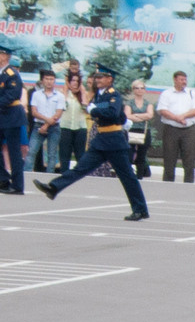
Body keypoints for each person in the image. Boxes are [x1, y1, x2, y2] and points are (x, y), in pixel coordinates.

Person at [38, 68, 150, 220]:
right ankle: (54, 188)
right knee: (80, 168)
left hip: (114, 141)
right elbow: (117, 115)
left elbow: (112, 112)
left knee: (127, 176)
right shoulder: (99, 95)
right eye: (97, 77)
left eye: (101, 77)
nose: (98, 80)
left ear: (110, 79)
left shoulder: (114, 95)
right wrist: (120, 119)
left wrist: (95, 111)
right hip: (101, 140)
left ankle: (140, 209)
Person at [152, 71, 195, 183]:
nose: (184, 82)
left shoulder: (192, 93)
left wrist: (182, 116)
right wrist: (177, 118)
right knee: (169, 157)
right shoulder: (166, 94)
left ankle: (189, 183)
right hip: (171, 129)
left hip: (188, 130)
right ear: (175, 80)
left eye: (185, 79)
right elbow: (162, 110)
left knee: (189, 157)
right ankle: (168, 182)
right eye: (181, 79)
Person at [29, 65, 66, 177]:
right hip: (38, 126)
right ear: (42, 80)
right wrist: (46, 120)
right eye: (47, 79)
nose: (49, 82)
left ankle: (49, 177)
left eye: (51, 79)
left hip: (54, 127)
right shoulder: (36, 94)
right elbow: (34, 112)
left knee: (52, 154)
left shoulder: (60, 96)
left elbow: (58, 114)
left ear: (54, 81)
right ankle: (26, 174)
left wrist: (46, 125)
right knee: (31, 151)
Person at [0, 46, 26, 194]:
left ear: (6, 56)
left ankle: (17, 185)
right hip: (1, 116)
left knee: (14, 152)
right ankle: (3, 179)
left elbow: (12, 95)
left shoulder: (12, 73)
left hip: (12, 116)